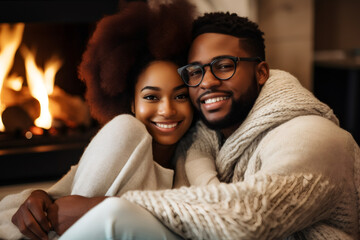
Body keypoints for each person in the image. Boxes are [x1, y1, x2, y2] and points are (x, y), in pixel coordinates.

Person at [60, 11, 360, 240]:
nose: (208, 82)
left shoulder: (313, 135)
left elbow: (248, 216)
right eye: (195, 71)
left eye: (224, 66)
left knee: (115, 216)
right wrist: (43, 198)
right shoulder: (204, 137)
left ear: (261, 72)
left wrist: (99, 206)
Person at [0, 0, 203, 239]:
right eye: (151, 96)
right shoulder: (126, 132)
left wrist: (96, 207)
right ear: (131, 104)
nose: (167, 109)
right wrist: (37, 196)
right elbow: (61, 200)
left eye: (180, 95)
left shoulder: (196, 152)